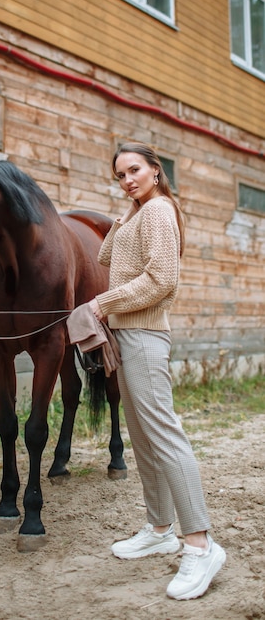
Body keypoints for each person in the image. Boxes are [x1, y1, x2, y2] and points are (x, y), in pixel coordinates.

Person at [89, 142, 226, 600]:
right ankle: (160, 527)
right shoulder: (140, 211)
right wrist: (129, 206)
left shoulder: (161, 210)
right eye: (120, 176)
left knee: (164, 435)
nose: (128, 180)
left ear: (155, 169)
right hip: (126, 336)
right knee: (143, 437)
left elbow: (162, 278)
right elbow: (107, 256)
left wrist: (101, 304)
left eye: (135, 171)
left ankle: (200, 544)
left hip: (145, 336)